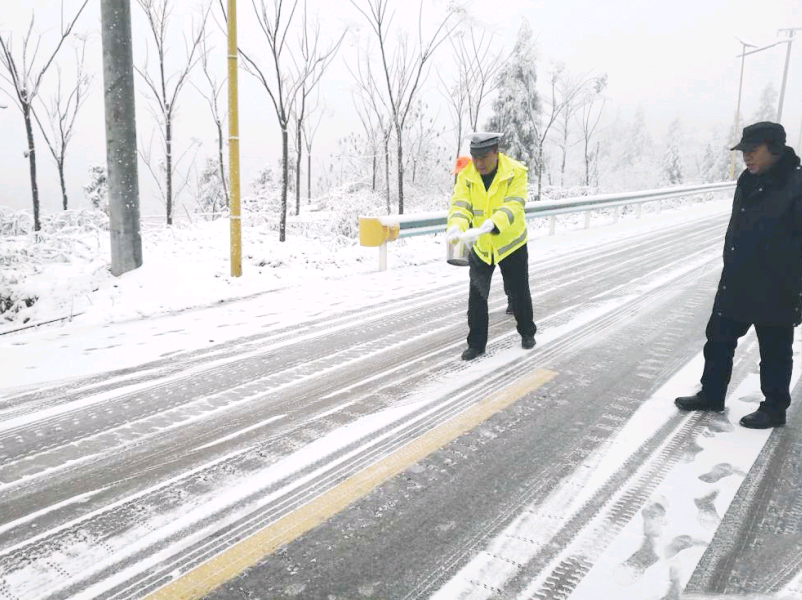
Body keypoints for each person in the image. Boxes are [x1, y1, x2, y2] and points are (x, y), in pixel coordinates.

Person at [675, 121, 802, 428]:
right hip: (738, 278)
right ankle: (712, 394)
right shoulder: (747, 180)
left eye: (752, 149)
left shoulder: (796, 185)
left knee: (774, 351)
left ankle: (773, 408)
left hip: (778, 285)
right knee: (718, 339)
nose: (745, 156)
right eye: (743, 150)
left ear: (774, 148)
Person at [446, 132, 537, 360]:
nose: (478, 163)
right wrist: (456, 225)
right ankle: (476, 345)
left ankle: (527, 332)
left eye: (484, 157)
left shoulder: (515, 172)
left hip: (510, 243)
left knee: (518, 293)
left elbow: (515, 204)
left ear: (496, 152)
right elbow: (460, 205)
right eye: (475, 158)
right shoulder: (466, 176)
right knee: (476, 296)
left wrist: (496, 222)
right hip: (481, 245)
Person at [451, 154, 515, 315]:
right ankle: (476, 308)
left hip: (498, 237)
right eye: (457, 174)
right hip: (478, 240)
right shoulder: (465, 186)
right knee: (477, 276)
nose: (459, 176)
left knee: (509, 273)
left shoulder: (487, 184)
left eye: (461, 172)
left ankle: (514, 301)